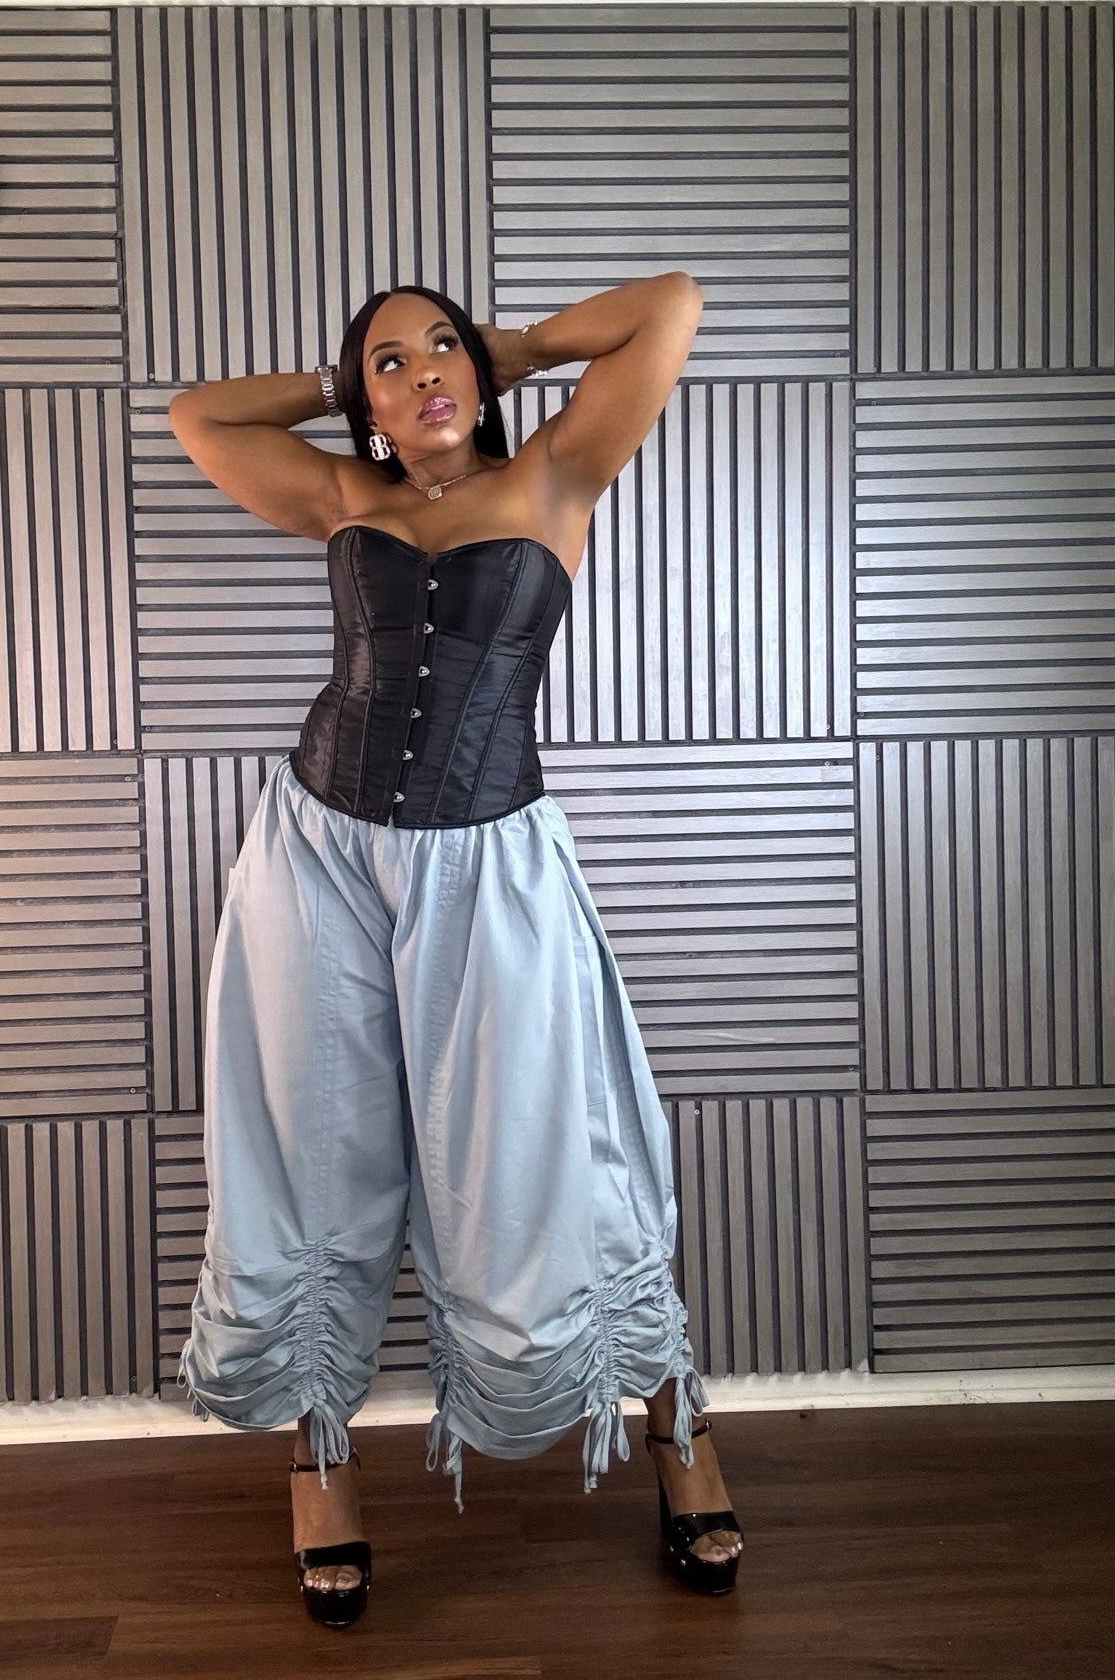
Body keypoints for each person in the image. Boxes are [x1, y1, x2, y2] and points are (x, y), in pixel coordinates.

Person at [169, 273, 744, 1628]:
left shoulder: (557, 471)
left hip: (490, 863)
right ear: (366, 404)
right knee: (308, 1152)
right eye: (391, 361)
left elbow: (669, 304)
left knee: (559, 1147)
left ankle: (682, 1433)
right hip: (316, 854)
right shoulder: (343, 494)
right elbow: (199, 417)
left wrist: (508, 349)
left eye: (440, 348)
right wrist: (345, 386)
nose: (421, 369)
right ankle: (321, 1465)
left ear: (478, 376)